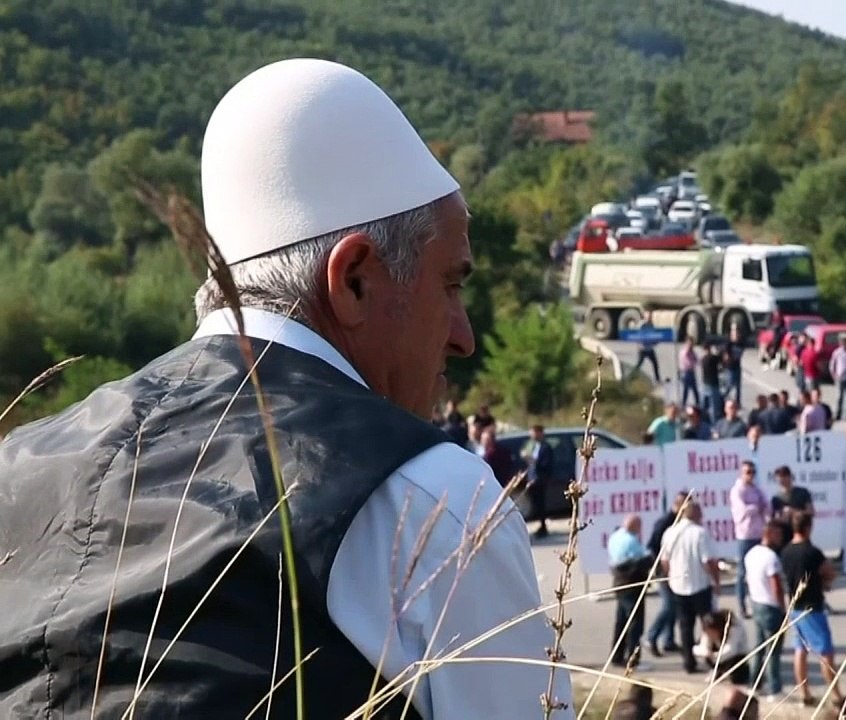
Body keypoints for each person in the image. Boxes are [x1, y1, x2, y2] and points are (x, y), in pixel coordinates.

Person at [0, 58, 572, 718]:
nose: (463, 336)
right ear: (353, 279)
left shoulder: (21, 468)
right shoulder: (428, 501)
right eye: (450, 284)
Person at [780, 513, 845, 708]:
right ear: (808, 527)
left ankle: (804, 692)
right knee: (826, 652)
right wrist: (825, 582)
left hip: (795, 606)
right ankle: (835, 695)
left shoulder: (786, 552)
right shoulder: (812, 552)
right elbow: (829, 571)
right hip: (812, 607)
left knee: (800, 650)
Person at [659, 502, 720, 675]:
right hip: (700, 584)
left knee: (685, 625)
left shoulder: (670, 532)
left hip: (678, 585)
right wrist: (716, 581)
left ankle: (689, 662)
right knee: (708, 623)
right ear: (695, 514)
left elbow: (664, 560)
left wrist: (669, 576)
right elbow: (708, 561)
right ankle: (712, 658)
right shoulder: (700, 533)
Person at [744, 520, 788, 700]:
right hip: (770, 605)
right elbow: (776, 585)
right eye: (777, 535)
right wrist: (783, 607)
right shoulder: (771, 558)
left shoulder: (751, 554)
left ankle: (754, 684)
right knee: (773, 651)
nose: (780, 538)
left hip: (756, 603)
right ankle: (775, 689)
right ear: (769, 534)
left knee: (759, 647)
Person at [646, 491, 689, 657]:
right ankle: (652, 636)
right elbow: (652, 546)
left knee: (675, 606)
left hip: (676, 570)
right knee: (669, 606)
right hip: (664, 571)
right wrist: (661, 567)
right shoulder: (665, 523)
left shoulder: (681, 522)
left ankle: (668, 640)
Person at [608, 515, 654, 670]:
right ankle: (633, 660)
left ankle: (617, 656)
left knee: (620, 622)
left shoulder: (615, 537)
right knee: (635, 624)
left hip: (619, 584)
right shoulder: (631, 541)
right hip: (632, 585)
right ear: (635, 526)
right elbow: (639, 561)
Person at [730, 460, 770, 617]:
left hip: (758, 533)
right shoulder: (737, 490)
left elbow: (766, 505)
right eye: (748, 472)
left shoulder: (757, 489)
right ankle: (741, 605)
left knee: (758, 571)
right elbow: (742, 510)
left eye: (753, 472)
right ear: (741, 473)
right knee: (742, 572)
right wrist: (756, 507)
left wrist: (763, 508)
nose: (751, 475)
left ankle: (758, 602)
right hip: (745, 535)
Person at [521, 424, 555, 539]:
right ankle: (540, 525)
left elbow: (546, 464)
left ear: (540, 433)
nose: (532, 435)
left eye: (534, 432)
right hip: (532, 479)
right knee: (535, 504)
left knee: (541, 504)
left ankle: (543, 526)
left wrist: (534, 461)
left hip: (541, 479)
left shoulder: (546, 447)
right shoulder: (532, 445)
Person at [770, 465, 813, 546]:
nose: (781, 481)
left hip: (801, 534)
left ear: (789, 477)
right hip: (784, 536)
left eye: (784, 477)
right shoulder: (776, 498)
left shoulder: (802, 492)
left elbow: (811, 512)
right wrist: (781, 519)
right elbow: (774, 519)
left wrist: (794, 512)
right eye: (779, 478)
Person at [636, 310, 661, 383]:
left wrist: (655, 341)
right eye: (649, 316)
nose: (650, 317)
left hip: (650, 349)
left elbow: (653, 335)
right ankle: (632, 377)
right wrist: (640, 344)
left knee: (655, 363)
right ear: (645, 316)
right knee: (639, 364)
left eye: (651, 316)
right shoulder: (642, 325)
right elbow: (638, 336)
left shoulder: (651, 325)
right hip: (642, 348)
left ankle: (657, 379)